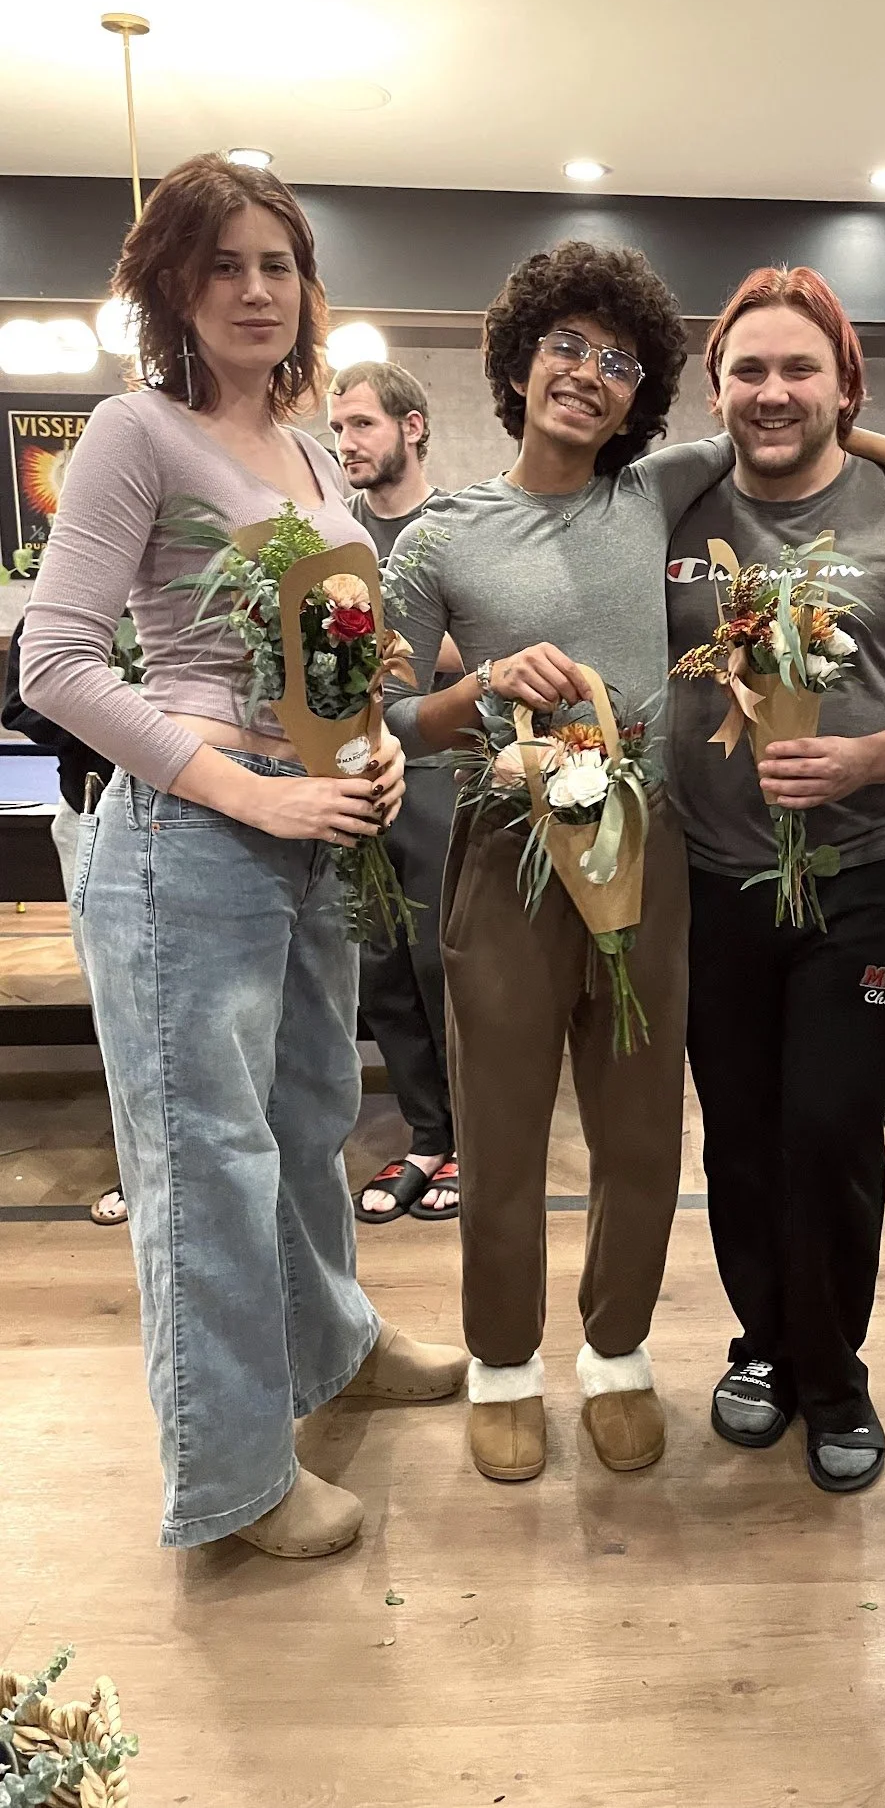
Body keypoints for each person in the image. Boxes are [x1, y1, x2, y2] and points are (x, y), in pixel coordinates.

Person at [383, 240, 885, 1487]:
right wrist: (480, 691)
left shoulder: (651, 490)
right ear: (516, 358)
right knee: (500, 1125)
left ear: (645, 391)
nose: (587, 374)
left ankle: (618, 1353)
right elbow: (376, 716)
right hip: (510, 845)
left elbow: (796, 423)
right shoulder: (439, 535)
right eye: (565, 347)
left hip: (653, 848)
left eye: (617, 359)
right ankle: (500, 1366)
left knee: (643, 1128)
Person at [20, 152, 468, 1560]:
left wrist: (374, 746)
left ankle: (327, 1349)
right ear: (170, 284)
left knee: (312, 1114)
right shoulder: (130, 432)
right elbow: (56, 662)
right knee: (204, 1161)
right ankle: (232, 1480)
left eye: (277, 263)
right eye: (224, 263)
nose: (256, 288)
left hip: (316, 835)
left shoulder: (317, 448)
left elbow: (336, 655)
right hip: (186, 846)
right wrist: (248, 793)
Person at [668, 268, 885, 1492]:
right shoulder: (675, 503)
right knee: (740, 1140)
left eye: (800, 367)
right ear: (716, 389)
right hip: (714, 884)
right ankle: (762, 1346)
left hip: (866, 878)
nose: (772, 390)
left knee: (832, 1131)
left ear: (843, 384)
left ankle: (835, 1372)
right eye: (748, 368)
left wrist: (865, 755)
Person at [328, 361, 460, 1220]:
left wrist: (386, 648)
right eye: (337, 430)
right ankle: (426, 1136)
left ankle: (477, 1141)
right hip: (347, 776)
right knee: (379, 971)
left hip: (443, 774)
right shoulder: (332, 540)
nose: (346, 444)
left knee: (444, 966)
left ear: (411, 427)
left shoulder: (456, 530)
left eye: (362, 425)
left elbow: (492, 651)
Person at [3, 616, 126, 1225]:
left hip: (209, 818)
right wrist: (112, 718)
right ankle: (140, 1166)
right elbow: (19, 702)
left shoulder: (206, 589)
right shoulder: (62, 605)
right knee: (119, 1006)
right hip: (92, 811)